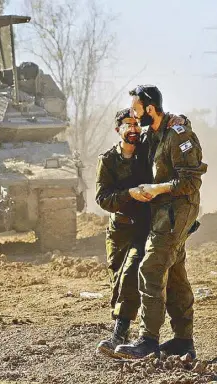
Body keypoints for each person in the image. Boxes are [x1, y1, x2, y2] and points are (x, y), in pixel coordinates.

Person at [114, 85, 208, 359]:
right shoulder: (153, 134)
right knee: (175, 271)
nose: (133, 114)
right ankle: (182, 341)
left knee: (152, 267)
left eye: (136, 109)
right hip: (163, 212)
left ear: (150, 109)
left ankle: (148, 341)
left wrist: (158, 189)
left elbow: (190, 181)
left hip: (177, 210)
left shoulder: (177, 135)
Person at [94, 108, 151, 357]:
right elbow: (103, 198)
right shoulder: (108, 160)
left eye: (137, 124)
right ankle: (123, 329)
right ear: (118, 130)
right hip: (119, 229)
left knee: (130, 274)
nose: (133, 128)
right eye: (128, 124)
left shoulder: (147, 154)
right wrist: (129, 194)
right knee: (118, 279)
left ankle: (122, 332)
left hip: (144, 226)